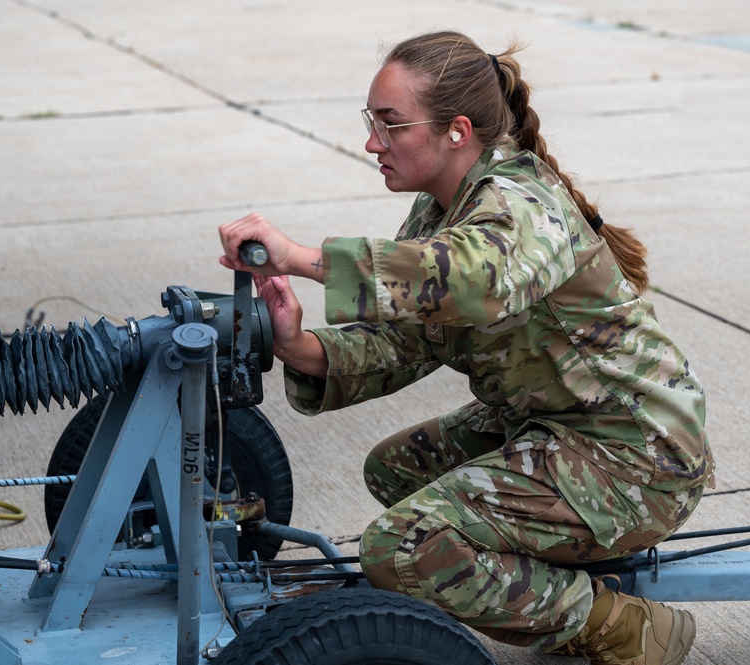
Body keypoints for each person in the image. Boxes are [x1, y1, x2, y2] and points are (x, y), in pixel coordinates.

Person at [219, 30, 714, 665]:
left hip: (637, 454)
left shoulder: (523, 202)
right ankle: (540, 577)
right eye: (371, 121)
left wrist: (302, 258)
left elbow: (477, 281)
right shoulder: (440, 210)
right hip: (557, 427)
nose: (373, 142)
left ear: (456, 130)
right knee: (396, 468)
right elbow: (404, 342)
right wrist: (298, 344)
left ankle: (624, 628)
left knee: (400, 546)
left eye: (390, 125)